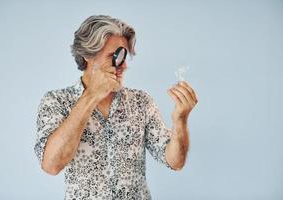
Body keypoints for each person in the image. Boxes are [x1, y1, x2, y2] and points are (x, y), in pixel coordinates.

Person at [34, 15, 198, 200]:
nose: (124, 65)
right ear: (88, 55)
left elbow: (175, 161)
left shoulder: (141, 102)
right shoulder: (57, 101)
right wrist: (91, 96)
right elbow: (51, 165)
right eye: (115, 56)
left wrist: (180, 120)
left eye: (125, 56)